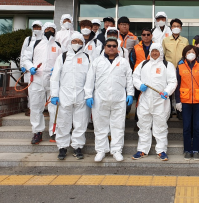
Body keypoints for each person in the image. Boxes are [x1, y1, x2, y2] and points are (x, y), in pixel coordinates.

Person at [84, 37, 134, 162]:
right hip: (100, 99)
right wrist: (88, 95)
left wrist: (130, 93)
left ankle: (117, 150)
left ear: (117, 48)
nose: (111, 48)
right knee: (100, 126)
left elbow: (129, 79)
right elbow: (90, 79)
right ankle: (101, 150)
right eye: (109, 46)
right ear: (105, 47)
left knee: (118, 126)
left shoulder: (123, 62)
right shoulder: (97, 62)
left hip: (119, 99)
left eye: (114, 46)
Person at [132, 43, 177, 161]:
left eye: (157, 51)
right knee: (143, 125)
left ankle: (161, 150)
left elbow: (173, 81)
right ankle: (142, 150)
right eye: (152, 51)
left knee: (161, 126)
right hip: (145, 100)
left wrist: (167, 91)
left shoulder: (167, 65)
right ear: (150, 52)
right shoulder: (143, 64)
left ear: (161, 52)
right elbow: (135, 77)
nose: (155, 53)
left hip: (161, 102)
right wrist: (139, 85)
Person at [50, 32, 90, 160]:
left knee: (81, 123)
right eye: (75, 41)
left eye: (80, 42)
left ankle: (77, 147)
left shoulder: (87, 58)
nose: (77, 44)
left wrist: (89, 95)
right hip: (64, 95)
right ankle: (62, 147)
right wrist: (54, 94)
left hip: (81, 96)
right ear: (70, 42)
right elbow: (55, 78)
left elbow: (90, 78)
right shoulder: (62, 57)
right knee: (63, 122)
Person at [22, 22, 62, 144]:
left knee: (54, 108)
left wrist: (57, 69)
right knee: (35, 107)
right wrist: (30, 67)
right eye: (47, 29)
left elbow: (63, 61)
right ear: (43, 30)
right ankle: (37, 132)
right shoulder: (35, 43)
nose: (50, 31)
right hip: (37, 79)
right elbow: (25, 58)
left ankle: (54, 131)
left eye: (52, 29)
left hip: (52, 80)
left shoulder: (58, 45)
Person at [175, 45, 199, 161]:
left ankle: (196, 150)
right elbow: (177, 85)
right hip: (185, 101)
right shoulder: (179, 67)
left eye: (193, 52)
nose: (191, 53)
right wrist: (178, 101)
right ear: (184, 54)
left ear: (196, 54)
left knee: (197, 126)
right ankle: (187, 150)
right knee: (186, 127)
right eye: (188, 52)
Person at [162, 18, 189, 120]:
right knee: (169, 89)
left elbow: (187, 53)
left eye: (178, 26)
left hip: (181, 68)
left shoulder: (185, 40)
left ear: (181, 28)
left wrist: (184, 61)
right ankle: (169, 111)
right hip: (169, 68)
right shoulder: (165, 40)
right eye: (174, 26)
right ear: (171, 28)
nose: (176, 28)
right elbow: (162, 55)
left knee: (180, 89)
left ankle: (179, 111)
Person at [130, 28, 153, 130]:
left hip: (152, 78)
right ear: (141, 36)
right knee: (139, 101)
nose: (146, 36)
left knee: (151, 100)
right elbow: (131, 62)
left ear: (151, 36)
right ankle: (138, 122)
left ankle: (151, 123)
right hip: (139, 79)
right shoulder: (135, 48)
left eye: (148, 34)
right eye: (144, 34)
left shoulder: (156, 47)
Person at [20, 20, 43, 113]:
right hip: (29, 69)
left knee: (39, 89)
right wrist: (23, 65)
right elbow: (23, 52)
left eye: (38, 27)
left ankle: (40, 109)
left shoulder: (43, 40)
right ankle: (30, 108)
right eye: (35, 27)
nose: (36, 29)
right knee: (30, 90)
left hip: (39, 69)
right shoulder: (28, 39)